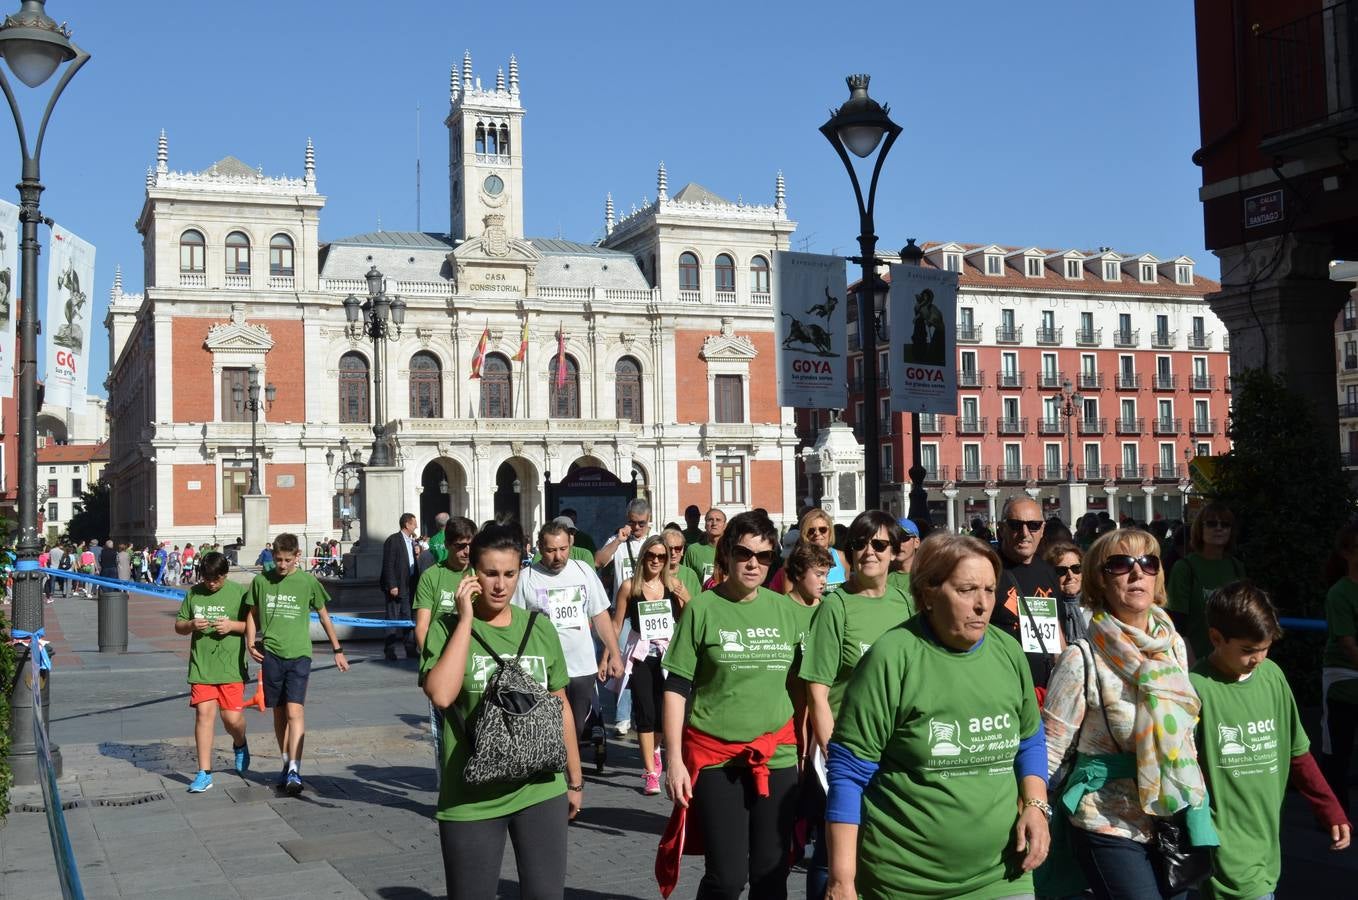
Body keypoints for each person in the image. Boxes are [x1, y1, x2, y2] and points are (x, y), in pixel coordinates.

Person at [824, 532, 1049, 899]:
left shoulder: (1008, 652)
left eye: (989, 590)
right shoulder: (893, 657)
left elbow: (1029, 738)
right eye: (967, 590)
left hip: (1003, 875)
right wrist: (841, 879)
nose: (982, 604)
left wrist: (1037, 806)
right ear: (928, 593)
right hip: (906, 884)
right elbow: (848, 772)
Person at [1042, 528, 1211, 900]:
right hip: (1106, 817)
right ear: (1100, 580)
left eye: (1148, 562)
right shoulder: (1081, 658)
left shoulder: (1173, 646)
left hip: (1170, 814)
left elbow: (1184, 733)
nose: (1137, 572)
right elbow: (1050, 750)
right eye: (1121, 564)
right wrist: (1034, 811)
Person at [423, 523, 583, 900]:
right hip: (471, 795)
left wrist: (575, 780)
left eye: (510, 574)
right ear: (472, 574)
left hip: (541, 787)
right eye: (490, 573)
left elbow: (560, 706)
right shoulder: (446, 628)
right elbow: (441, 695)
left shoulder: (539, 628)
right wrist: (465, 620)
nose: (500, 585)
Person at [657, 510, 804, 899]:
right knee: (727, 877)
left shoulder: (785, 610)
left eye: (764, 556)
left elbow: (802, 685)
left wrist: (810, 750)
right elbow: (676, 687)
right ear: (726, 554)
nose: (753, 564)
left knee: (771, 874)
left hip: (777, 755)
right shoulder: (702, 609)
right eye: (744, 553)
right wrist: (673, 761)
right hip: (716, 757)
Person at [1191, 581, 1350, 900]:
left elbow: (1297, 753)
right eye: (1248, 650)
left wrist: (1330, 808)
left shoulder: (1273, 676)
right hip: (1225, 852)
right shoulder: (1196, 688)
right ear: (1216, 638)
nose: (1258, 658)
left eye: (1265, 648)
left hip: (1266, 849)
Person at [800, 510, 913, 897]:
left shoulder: (905, 602)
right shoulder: (837, 606)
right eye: (860, 544)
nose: (870, 551)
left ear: (894, 552)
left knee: (884, 844)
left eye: (879, 544)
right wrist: (832, 751)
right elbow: (818, 687)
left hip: (896, 748)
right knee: (833, 854)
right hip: (848, 748)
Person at [244, 532, 350, 796]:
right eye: (278, 559)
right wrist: (250, 642)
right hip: (271, 655)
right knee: (279, 713)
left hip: (299, 654)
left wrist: (337, 649)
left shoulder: (307, 582)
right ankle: (285, 762)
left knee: (294, 711)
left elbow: (324, 616)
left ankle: (294, 768)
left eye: (287, 560)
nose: (282, 565)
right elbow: (252, 614)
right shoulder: (261, 581)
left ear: (297, 557)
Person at [515, 520, 623, 751]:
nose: (558, 556)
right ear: (540, 548)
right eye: (551, 550)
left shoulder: (583, 571)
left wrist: (614, 654)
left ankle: (568, 768)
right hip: (543, 669)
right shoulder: (526, 578)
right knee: (549, 729)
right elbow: (514, 624)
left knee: (576, 729)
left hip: (581, 668)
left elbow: (600, 615)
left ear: (570, 546)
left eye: (563, 549)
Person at [614, 533, 686, 795]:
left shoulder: (673, 585)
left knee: (662, 714)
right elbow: (616, 624)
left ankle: (655, 749)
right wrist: (608, 656)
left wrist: (686, 597)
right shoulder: (629, 587)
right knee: (644, 712)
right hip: (641, 656)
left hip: (668, 656)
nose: (656, 561)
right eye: (651, 556)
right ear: (643, 557)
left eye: (662, 557)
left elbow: (690, 617)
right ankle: (650, 773)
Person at [174, 552, 250, 793]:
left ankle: (240, 742)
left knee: (232, 719)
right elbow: (179, 625)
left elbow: (253, 626)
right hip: (202, 667)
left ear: (225, 575)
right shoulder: (194, 593)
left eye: (215, 579)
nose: (211, 584)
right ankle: (204, 773)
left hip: (231, 667)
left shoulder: (239, 593)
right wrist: (190, 625)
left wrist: (231, 626)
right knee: (204, 716)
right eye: (206, 579)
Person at [413, 516, 478, 785]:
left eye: (471, 545)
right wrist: (435, 665)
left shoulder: (478, 574)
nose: (467, 551)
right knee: (443, 734)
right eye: (461, 546)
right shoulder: (432, 576)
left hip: (475, 665)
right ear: (448, 545)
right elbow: (422, 627)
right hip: (443, 666)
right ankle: (447, 787)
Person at [994, 496, 1063, 691]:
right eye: (1016, 525)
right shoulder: (988, 570)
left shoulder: (1048, 572)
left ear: (1042, 529)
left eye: (1033, 525)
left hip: (1045, 690)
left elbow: (1057, 633)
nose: (1025, 533)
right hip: (1003, 686)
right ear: (1002, 529)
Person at [1167, 502, 1244, 661]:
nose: (1219, 528)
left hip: (1232, 659)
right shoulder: (1184, 568)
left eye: (1225, 524)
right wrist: (1187, 659)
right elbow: (1176, 621)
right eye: (1211, 523)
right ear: (1200, 529)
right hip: (1195, 658)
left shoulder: (1237, 567)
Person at [1323, 521, 1358, 813]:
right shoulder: (1339, 593)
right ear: (1346, 553)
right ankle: (1336, 814)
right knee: (1338, 749)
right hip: (1342, 680)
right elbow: (1348, 645)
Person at [768, 508, 848, 595]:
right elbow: (789, 598)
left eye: (822, 529)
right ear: (804, 534)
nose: (817, 533)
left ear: (830, 531)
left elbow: (847, 592)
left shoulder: (841, 557)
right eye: (811, 530)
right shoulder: (793, 561)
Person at [380, 512, 421, 660]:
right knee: (392, 618)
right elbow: (388, 564)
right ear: (407, 524)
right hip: (397, 586)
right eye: (414, 524)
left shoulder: (411, 541)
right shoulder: (393, 540)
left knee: (408, 617)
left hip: (409, 586)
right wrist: (392, 585)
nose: (416, 526)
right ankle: (389, 650)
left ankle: (410, 648)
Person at [1045, 539, 1090, 644]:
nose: (1070, 575)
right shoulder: (1045, 610)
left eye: (1076, 568)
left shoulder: (1097, 605)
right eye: (1062, 571)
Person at [682, 507, 727, 587]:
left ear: (725, 525)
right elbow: (686, 581)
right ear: (705, 525)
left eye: (718, 520)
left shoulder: (732, 550)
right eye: (710, 520)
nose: (714, 523)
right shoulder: (693, 550)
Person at [662, 526, 703, 601]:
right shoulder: (655, 573)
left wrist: (687, 598)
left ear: (682, 550)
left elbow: (699, 604)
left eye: (677, 548)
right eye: (669, 548)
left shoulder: (690, 574)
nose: (673, 553)